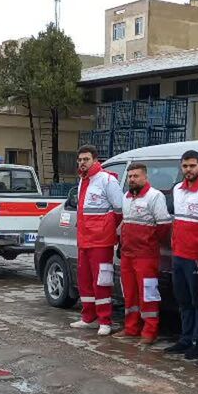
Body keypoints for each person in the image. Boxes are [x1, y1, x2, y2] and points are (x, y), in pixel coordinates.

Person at [165, 150, 198, 359]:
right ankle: (185, 339)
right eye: (185, 166)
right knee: (183, 299)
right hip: (178, 254)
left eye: (192, 166)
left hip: (197, 257)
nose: (188, 170)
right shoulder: (177, 189)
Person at [72, 144, 125, 336]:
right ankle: (89, 318)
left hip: (101, 241)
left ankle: (105, 320)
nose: (82, 163)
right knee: (84, 280)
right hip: (84, 240)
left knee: (102, 281)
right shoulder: (82, 180)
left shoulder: (106, 180)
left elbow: (119, 209)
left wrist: (106, 229)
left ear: (95, 160)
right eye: (80, 160)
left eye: (86, 159)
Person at [119, 162, 172, 343]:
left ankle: (150, 331)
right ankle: (131, 328)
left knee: (148, 294)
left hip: (146, 256)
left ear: (145, 177)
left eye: (136, 176)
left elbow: (164, 226)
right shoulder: (126, 196)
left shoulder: (154, 196)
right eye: (130, 176)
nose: (132, 179)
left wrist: (148, 242)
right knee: (130, 293)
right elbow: (125, 223)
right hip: (127, 254)